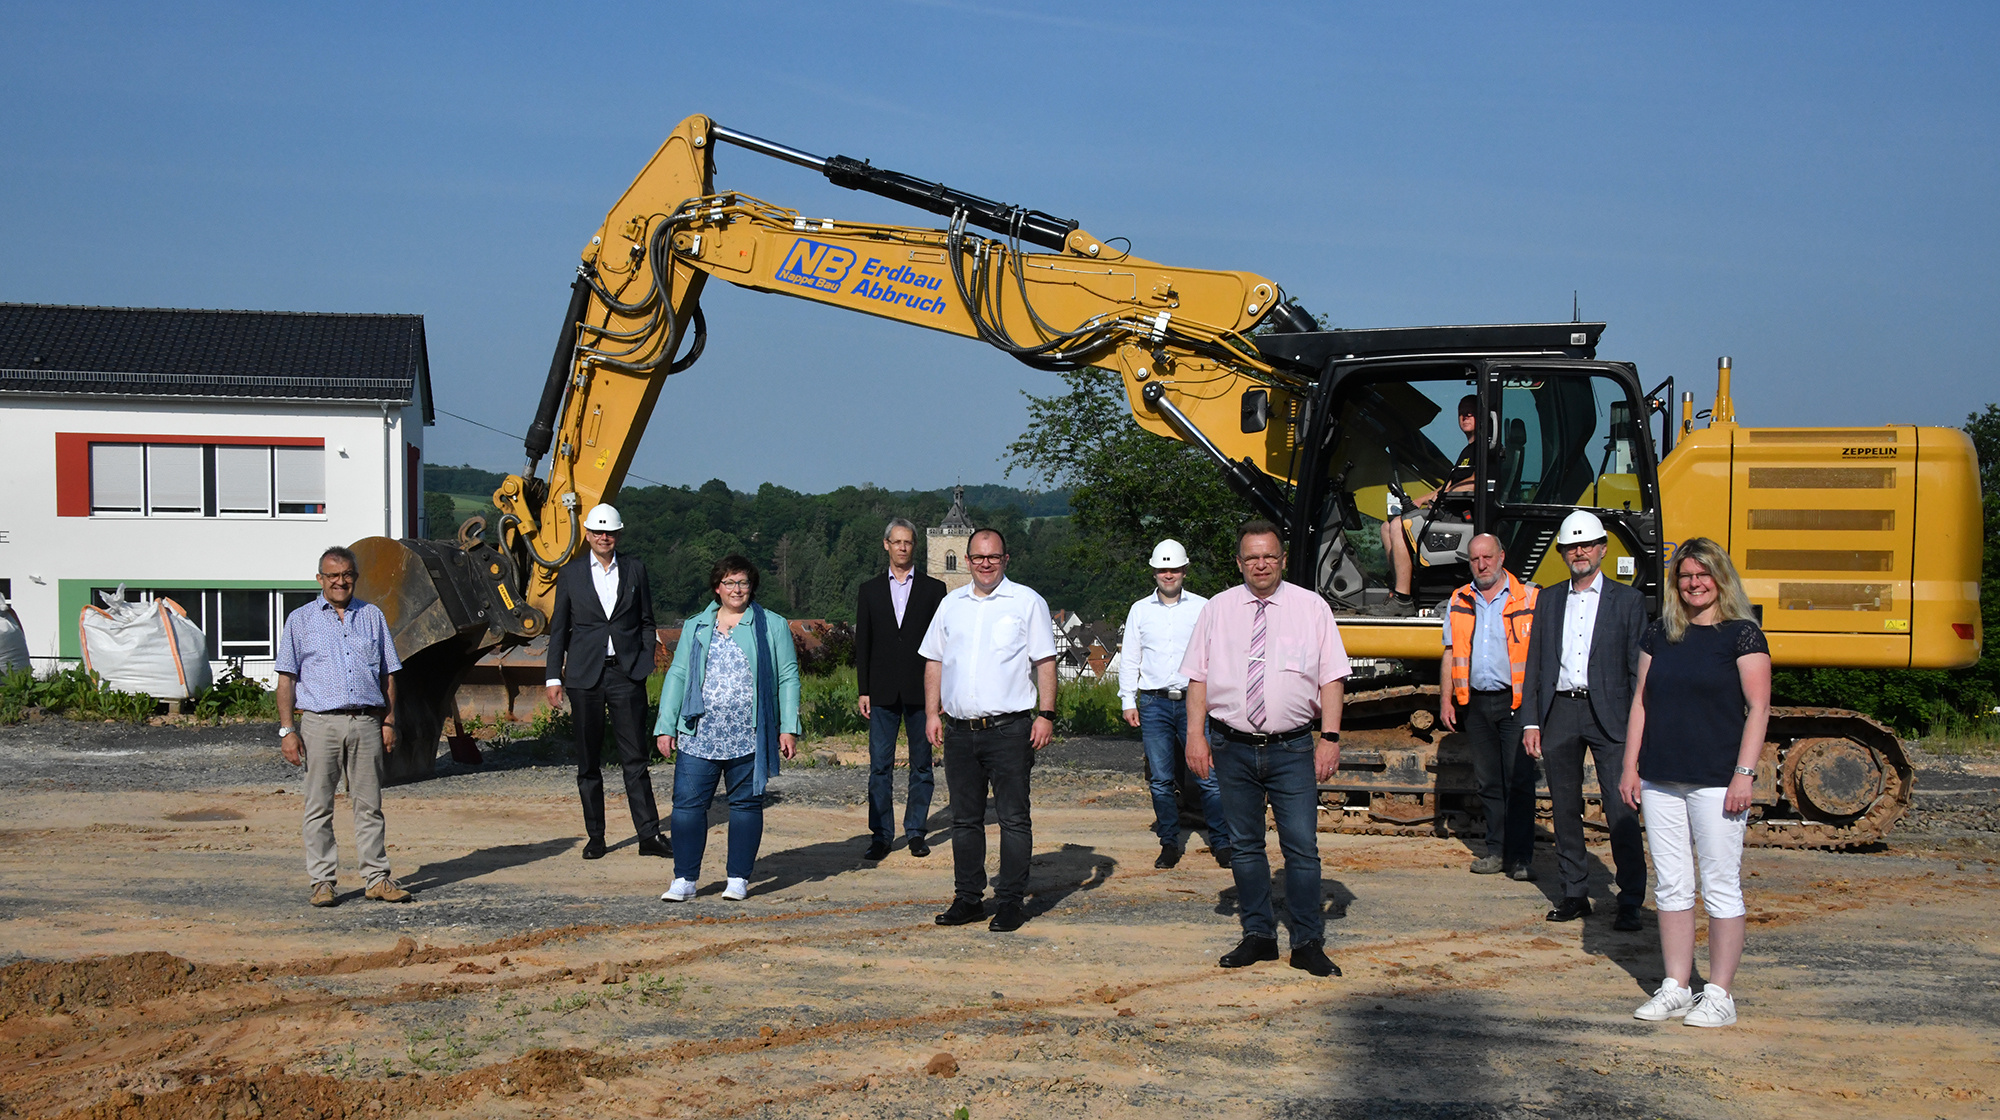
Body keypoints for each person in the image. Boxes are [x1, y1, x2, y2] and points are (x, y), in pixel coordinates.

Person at [1183, 520, 1350, 977]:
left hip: (1292, 748)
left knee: (1301, 848)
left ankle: (1307, 942)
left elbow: (1332, 677)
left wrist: (1329, 739)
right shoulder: (1217, 609)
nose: (1261, 564)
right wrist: (1195, 736)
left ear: (1282, 560)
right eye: (1252, 557)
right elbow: (1198, 677)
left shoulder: (1311, 608)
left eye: (1269, 556)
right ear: (1239, 562)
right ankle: (1258, 935)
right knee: (1245, 847)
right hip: (1231, 746)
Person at [1620, 539, 1770, 1028]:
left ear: (1719, 577)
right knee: (1672, 886)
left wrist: (1743, 775)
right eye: (1685, 576)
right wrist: (1630, 767)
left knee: (1721, 886)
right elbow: (1641, 702)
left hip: (1716, 780)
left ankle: (1721, 995)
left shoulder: (1742, 635)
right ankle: (1677, 986)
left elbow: (1759, 709)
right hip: (1661, 778)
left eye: (1702, 574)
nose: (1693, 583)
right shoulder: (1660, 633)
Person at [920, 528, 1058, 934]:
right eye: (978, 557)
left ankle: (1011, 902)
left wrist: (1046, 714)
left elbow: (1045, 661)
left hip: (1009, 729)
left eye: (993, 557)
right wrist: (932, 713)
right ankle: (968, 899)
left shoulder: (1027, 602)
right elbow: (934, 661)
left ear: (1005, 559)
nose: (985, 563)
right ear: (967, 560)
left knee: (1014, 818)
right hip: (959, 730)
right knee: (965, 820)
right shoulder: (950, 605)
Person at [1522, 509, 1649, 929]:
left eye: (1586, 545)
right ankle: (1575, 892)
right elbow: (1537, 662)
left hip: (1610, 714)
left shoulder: (1627, 601)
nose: (1579, 552)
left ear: (1602, 550)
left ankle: (1630, 899)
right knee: (1563, 808)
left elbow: (1637, 669)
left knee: (1621, 808)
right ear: (1562, 552)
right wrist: (1531, 721)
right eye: (1571, 546)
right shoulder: (1550, 599)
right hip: (1561, 711)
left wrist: (1639, 724)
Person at [654, 555, 801, 902]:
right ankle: (685, 879)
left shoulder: (773, 625)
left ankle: (738, 878)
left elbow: (788, 676)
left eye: (743, 583)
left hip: (749, 734)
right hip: (698, 733)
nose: (737, 590)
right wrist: (666, 726)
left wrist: (787, 726)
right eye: (730, 583)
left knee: (746, 806)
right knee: (688, 807)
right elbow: (677, 675)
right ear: (717, 588)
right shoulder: (696, 625)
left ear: (752, 587)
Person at [275, 545, 411, 907]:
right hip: (320, 724)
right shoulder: (300, 620)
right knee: (318, 805)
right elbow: (286, 679)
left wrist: (388, 720)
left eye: (347, 575)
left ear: (355, 577)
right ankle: (322, 882)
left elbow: (388, 674)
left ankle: (377, 878)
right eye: (332, 576)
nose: (340, 581)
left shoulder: (372, 616)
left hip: (367, 721)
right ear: (320, 579)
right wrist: (288, 731)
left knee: (369, 805)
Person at [544, 503, 668, 861]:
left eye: (609, 532)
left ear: (617, 535)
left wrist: (643, 662)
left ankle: (648, 835)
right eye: (598, 532)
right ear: (587, 535)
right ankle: (595, 836)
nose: (604, 537)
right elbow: (559, 630)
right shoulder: (571, 575)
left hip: (626, 674)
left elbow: (647, 621)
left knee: (636, 760)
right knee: (588, 762)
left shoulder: (635, 570)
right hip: (585, 677)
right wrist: (554, 675)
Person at [1118, 538, 1230, 870]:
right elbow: (1130, 659)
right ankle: (1169, 842)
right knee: (1161, 780)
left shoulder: (1203, 608)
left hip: (1196, 703)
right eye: (1162, 569)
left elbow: (1218, 656)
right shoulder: (1140, 610)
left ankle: (1221, 842)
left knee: (1207, 776)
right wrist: (1128, 700)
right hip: (1154, 703)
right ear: (1154, 572)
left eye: (1174, 569)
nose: (1169, 574)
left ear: (1184, 570)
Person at [1439, 533, 1540, 879]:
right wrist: (1446, 699)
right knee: (1488, 782)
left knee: (1520, 781)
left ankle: (1522, 857)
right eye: (1474, 559)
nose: (1481, 565)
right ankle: (1496, 851)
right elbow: (1450, 652)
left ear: (1501, 557)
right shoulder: (1459, 599)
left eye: (1487, 557)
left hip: (1515, 704)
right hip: (1476, 704)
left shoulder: (1528, 598)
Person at [855, 518, 948, 861]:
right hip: (880, 692)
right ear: (886, 545)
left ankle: (916, 832)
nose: (903, 547)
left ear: (914, 547)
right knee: (880, 766)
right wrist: (863, 689)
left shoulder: (934, 589)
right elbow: (862, 642)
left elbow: (942, 645)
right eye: (897, 542)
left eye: (908, 542)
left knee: (922, 765)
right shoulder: (869, 590)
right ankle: (880, 835)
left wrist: (939, 695)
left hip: (922, 691)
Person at [1375, 393, 1479, 616]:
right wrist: (1419, 500)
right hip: (1450, 510)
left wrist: (1442, 498)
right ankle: (1402, 590)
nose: (1465, 415)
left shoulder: (1484, 450)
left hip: (1464, 517)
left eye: (1471, 411)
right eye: (1462, 411)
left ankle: (1402, 599)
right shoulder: (1465, 453)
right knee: (1387, 526)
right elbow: (1448, 485)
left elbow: (1474, 483)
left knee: (1400, 526)